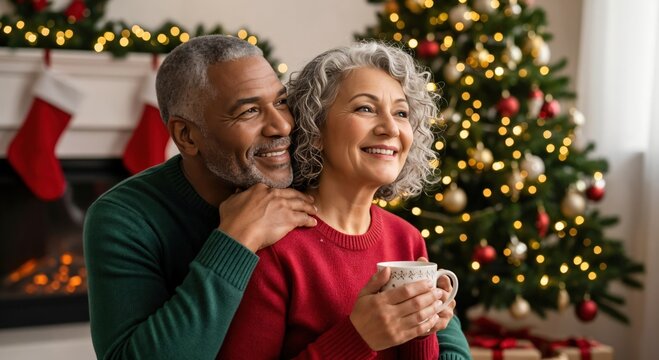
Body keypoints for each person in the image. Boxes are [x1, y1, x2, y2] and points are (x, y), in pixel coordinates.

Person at [83, 35, 466, 359]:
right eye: (249, 111)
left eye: (281, 101)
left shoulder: (301, 184)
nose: (284, 124)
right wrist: (233, 242)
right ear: (187, 136)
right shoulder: (125, 217)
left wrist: (427, 319)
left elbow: (436, 333)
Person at [218, 41, 471, 359]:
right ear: (315, 128)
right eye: (365, 108)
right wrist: (359, 337)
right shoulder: (275, 245)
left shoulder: (406, 240)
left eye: (401, 113)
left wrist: (423, 327)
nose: (390, 128)